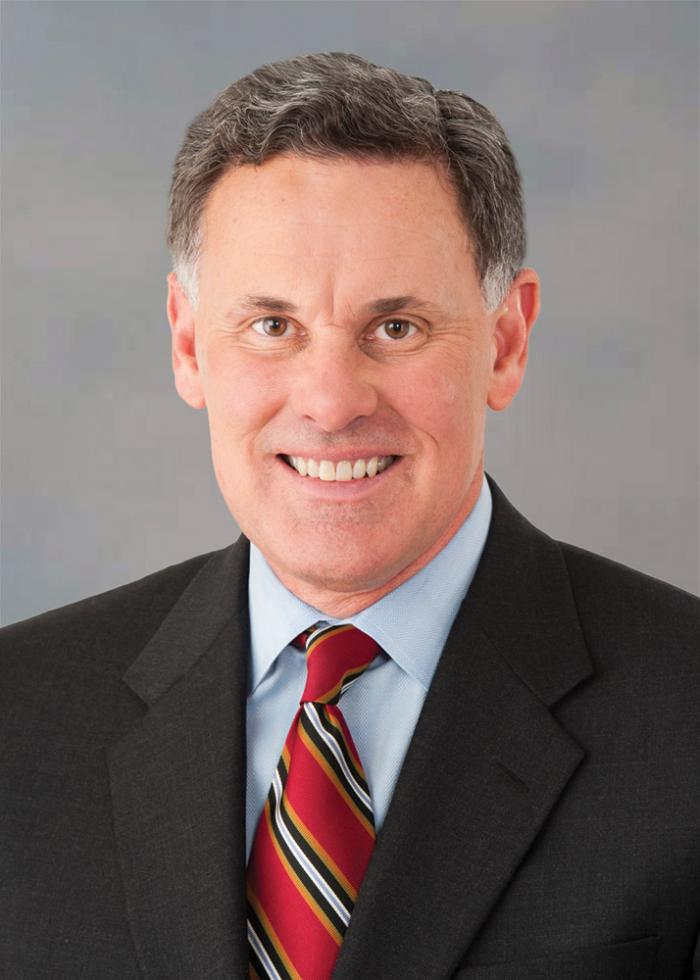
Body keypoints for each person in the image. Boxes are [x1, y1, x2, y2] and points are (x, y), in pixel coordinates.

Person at [2, 51, 698, 980]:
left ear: (506, 342)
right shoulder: (18, 717)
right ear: (188, 342)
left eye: (396, 327)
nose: (331, 403)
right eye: (273, 326)